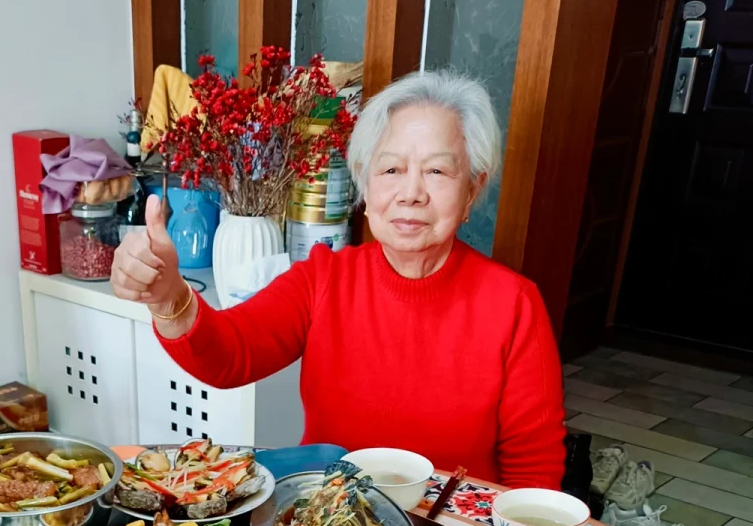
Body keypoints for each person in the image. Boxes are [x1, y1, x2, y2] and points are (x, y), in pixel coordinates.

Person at [110, 69, 566, 487]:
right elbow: (229, 354)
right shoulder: (325, 279)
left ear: (472, 191)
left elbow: (534, 474)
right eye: (390, 170)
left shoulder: (514, 305)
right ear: (365, 187)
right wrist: (170, 299)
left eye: (437, 171)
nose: (411, 193)